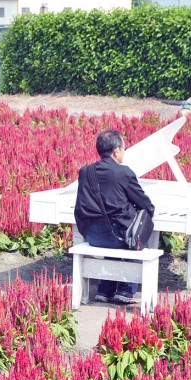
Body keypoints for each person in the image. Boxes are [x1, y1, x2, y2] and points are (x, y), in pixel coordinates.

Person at [74, 129, 156, 303]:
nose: (124, 152)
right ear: (116, 150)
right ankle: (125, 290)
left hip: (92, 235)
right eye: (124, 148)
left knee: (115, 232)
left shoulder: (85, 172)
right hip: (116, 236)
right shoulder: (123, 172)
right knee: (139, 239)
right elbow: (145, 205)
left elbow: (80, 206)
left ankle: (105, 290)